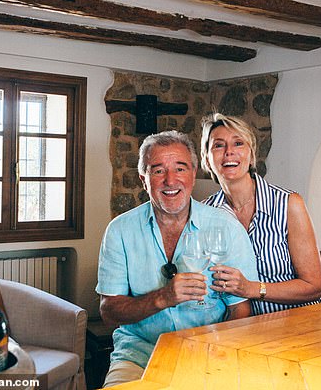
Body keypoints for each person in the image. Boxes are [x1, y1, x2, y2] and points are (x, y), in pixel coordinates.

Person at [96, 130, 258, 387]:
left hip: (210, 353)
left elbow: (240, 308)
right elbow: (109, 312)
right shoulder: (120, 230)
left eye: (180, 169)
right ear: (143, 179)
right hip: (139, 355)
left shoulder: (225, 226)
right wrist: (163, 297)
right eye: (158, 170)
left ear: (193, 174)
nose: (171, 180)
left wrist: (217, 353)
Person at [200, 113, 321, 316]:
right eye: (218, 145)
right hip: (239, 329)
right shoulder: (205, 213)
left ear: (251, 155)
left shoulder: (288, 204)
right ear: (207, 159)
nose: (229, 152)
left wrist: (252, 288)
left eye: (238, 143)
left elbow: (313, 286)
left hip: (297, 325)